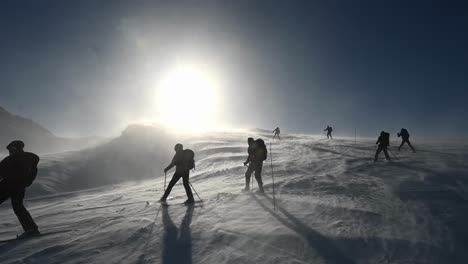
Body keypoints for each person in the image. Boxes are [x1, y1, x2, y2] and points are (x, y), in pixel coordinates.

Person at [0, 140, 40, 238]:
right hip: (8, 185)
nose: (10, 151)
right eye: (9, 149)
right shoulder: (9, 160)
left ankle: (31, 229)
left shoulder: (26, 158)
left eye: (12, 148)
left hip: (14, 186)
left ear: (18, 148)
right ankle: (31, 229)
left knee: (18, 207)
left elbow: (33, 171)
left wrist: (27, 181)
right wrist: (27, 181)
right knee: (18, 207)